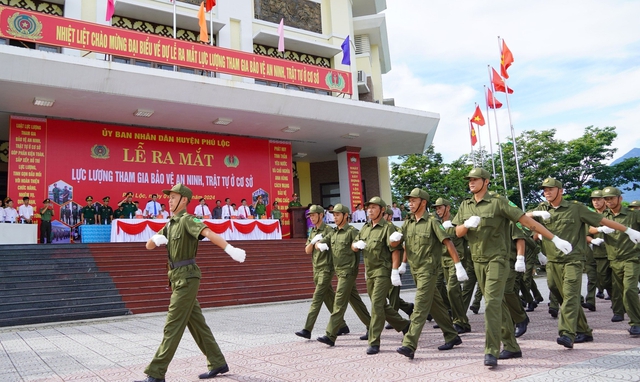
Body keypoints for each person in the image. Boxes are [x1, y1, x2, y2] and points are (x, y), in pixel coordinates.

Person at [453, 169, 572, 367]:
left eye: (475, 179)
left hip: (498, 260)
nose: (471, 182)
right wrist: (466, 225)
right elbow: (456, 232)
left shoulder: (499, 202)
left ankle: (491, 350)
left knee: (491, 303)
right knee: (497, 304)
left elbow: (526, 221)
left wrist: (554, 238)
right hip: (477, 261)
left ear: (486, 181)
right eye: (470, 180)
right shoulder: (465, 205)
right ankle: (511, 346)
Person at [135, 183, 247, 382]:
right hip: (176, 278)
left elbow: (208, 233)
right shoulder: (170, 223)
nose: (169, 200)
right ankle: (217, 361)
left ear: (184, 200)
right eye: (168, 197)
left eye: (173, 197)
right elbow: (148, 246)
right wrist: (156, 239)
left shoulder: (188, 220)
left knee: (173, 325)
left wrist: (231, 250)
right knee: (197, 324)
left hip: (187, 277)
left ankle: (156, 372)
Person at [528, 177, 640, 349]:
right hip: (553, 261)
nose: (547, 192)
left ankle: (567, 333)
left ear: (560, 190)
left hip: (573, 260)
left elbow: (601, 220)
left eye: (550, 189)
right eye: (544, 190)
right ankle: (584, 330)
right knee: (558, 292)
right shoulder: (542, 209)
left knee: (571, 295)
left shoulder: (576, 208)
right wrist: (536, 214)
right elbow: (523, 217)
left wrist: (627, 229)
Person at [394, 189, 466, 359]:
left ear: (423, 202)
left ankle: (409, 344)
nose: (410, 204)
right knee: (436, 305)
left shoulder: (433, 222)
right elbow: (401, 244)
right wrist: (400, 257)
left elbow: (448, 243)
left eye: (413, 201)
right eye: (409, 201)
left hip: (429, 270)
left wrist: (458, 265)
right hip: (416, 271)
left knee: (420, 307)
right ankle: (452, 335)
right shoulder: (408, 223)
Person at [352, 196, 411, 355]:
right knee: (381, 305)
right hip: (370, 272)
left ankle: (374, 341)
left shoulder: (388, 228)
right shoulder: (365, 228)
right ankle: (404, 325)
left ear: (382, 210)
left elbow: (395, 250)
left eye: (373, 207)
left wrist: (394, 271)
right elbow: (354, 245)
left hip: (383, 272)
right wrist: (356, 246)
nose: (370, 210)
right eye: (368, 208)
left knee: (377, 304)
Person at [315, 203, 371, 346]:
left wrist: (358, 245)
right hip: (339, 272)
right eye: (333, 214)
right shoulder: (333, 232)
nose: (335, 217)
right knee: (355, 301)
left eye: (338, 214)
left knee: (339, 302)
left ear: (346, 216)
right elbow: (320, 240)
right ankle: (373, 326)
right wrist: (319, 245)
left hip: (348, 271)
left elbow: (360, 243)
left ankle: (330, 335)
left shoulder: (351, 231)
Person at [295, 205, 349, 340]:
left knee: (317, 298)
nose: (311, 218)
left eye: (313, 215)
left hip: (326, 269)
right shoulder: (312, 231)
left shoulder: (329, 230)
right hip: (316, 269)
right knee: (328, 297)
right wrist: (313, 242)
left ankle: (307, 329)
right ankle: (342, 325)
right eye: (310, 216)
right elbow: (307, 250)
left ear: (321, 215)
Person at [600, 186, 640, 335]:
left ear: (620, 198)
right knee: (617, 289)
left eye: (611, 198)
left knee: (630, 289)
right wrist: (600, 229)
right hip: (613, 259)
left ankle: (636, 322)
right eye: (606, 199)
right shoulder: (603, 217)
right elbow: (588, 228)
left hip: (632, 258)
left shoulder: (633, 215)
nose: (609, 201)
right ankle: (620, 311)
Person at [433, 197, 472, 334]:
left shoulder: (457, 221)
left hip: (457, 261)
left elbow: (468, 238)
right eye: (436, 208)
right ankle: (451, 313)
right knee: (438, 288)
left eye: (440, 207)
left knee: (453, 290)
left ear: (447, 208)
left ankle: (460, 321)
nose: (438, 211)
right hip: (442, 261)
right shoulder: (436, 224)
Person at [587, 190, 617, 314]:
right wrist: (592, 241)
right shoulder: (589, 215)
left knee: (618, 280)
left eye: (598, 199)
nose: (596, 202)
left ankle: (619, 305)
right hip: (599, 252)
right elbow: (586, 232)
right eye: (594, 200)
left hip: (615, 251)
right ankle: (617, 301)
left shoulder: (611, 213)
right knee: (604, 280)